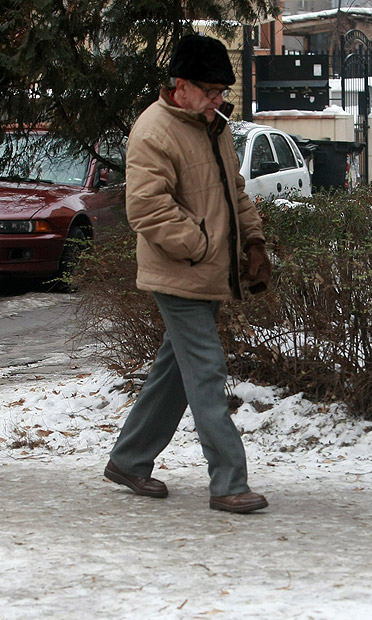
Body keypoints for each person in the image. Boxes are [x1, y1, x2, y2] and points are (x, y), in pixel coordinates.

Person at [103, 34, 272, 515]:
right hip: (180, 274)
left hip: (208, 271)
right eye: (212, 90)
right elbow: (147, 209)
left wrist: (253, 242)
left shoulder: (213, 126)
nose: (220, 100)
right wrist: (201, 247)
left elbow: (234, 191)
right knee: (206, 370)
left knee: (175, 372)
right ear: (181, 85)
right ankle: (228, 482)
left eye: (222, 91)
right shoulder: (153, 131)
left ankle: (129, 459)